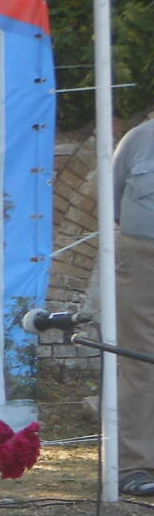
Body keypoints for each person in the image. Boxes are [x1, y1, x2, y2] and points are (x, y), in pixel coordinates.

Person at [112, 116, 154, 496]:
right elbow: (113, 207)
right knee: (139, 359)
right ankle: (136, 467)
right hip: (143, 257)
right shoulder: (137, 141)